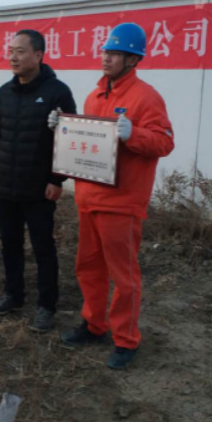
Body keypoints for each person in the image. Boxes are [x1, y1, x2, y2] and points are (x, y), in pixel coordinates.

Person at [52, 22, 174, 369]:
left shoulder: (146, 97)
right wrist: (62, 128)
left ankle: (126, 339)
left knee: (123, 275)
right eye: (105, 52)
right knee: (88, 267)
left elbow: (164, 142)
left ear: (132, 59)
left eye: (115, 53)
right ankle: (94, 324)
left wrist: (134, 134)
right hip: (90, 197)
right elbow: (87, 141)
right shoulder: (96, 96)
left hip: (121, 202)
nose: (106, 58)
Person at [0, 29, 76, 332]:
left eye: (20, 51)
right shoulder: (4, 92)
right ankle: (13, 294)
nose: (13, 57)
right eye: (11, 51)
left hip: (39, 188)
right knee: (9, 243)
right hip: (7, 183)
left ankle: (46, 306)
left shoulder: (57, 92)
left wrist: (57, 180)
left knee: (42, 248)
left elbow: (68, 140)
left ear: (38, 55)